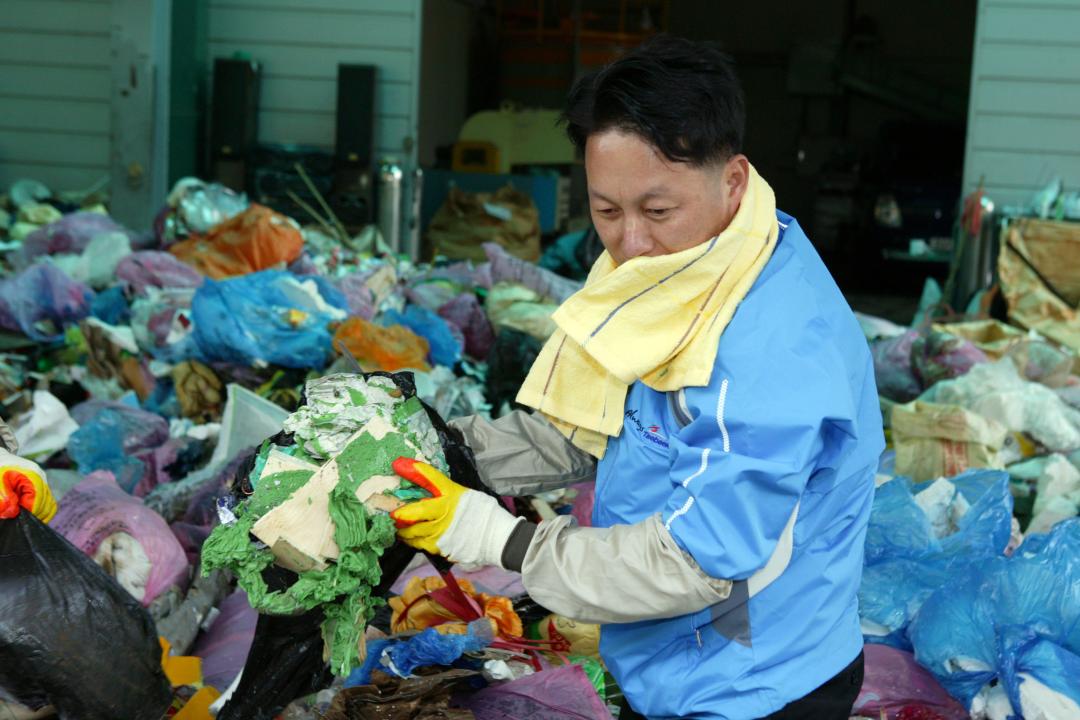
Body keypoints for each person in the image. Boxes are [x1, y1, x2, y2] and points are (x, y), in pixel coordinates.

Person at [391, 35, 883, 720]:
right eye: (606, 211)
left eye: (657, 211)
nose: (630, 244)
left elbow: (692, 561)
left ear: (733, 181)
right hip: (666, 655)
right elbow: (592, 422)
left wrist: (493, 538)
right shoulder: (683, 266)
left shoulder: (773, 349)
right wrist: (433, 450)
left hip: (752, 682)